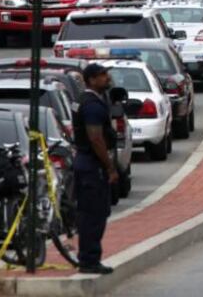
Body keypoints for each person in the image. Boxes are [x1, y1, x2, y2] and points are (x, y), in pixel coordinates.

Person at [73, 63, 119, 275]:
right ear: (91, 80)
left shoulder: (95, 100)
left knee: (96, 213)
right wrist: (109, 167)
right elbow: (95, 138)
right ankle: (89, 260)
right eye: (102, 75)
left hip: (88, 163)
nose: (107, 78)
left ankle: (90, 258)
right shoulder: (91, 105)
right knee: (93, 214)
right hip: (91, 165)